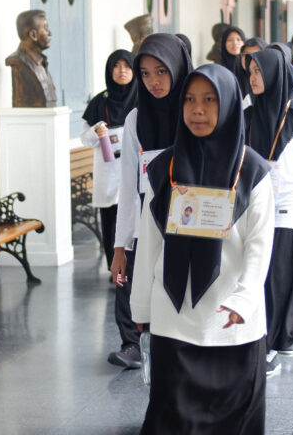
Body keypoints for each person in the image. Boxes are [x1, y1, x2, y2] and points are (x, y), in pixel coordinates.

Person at [131, 64, 274, 434]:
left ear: (227, 105)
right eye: (190, 100)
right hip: (173, 317)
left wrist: (244, 299)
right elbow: (148, 241)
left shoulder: (252, 171)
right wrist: (141, 306)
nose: (198, 110)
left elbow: (259, 247)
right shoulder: (164, 169)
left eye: (210, 100)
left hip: (231, 321)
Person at [109, 34, 192, 369]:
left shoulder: (197, 113)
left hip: (193, 230)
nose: (153, 81)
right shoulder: (135, 120)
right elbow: (129, 185)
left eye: (161, 71)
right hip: (150, 230)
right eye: (144, 73)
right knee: (154, 314)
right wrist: (120, 247)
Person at [245, 49, 293, 376]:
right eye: (249, 73)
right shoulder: (247, 114)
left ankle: (273, 344)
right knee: (261, 274)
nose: (253, 79)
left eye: (259, 72)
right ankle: (275, 337)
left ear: (275, 73)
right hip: (255, 205)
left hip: (289, 206)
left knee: (280, 275)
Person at [81, 50, 137, 274]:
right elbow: (85, 138)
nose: (122, 71)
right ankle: (114, 269)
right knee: (110, 223)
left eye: (127, 66)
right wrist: (97, 131)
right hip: (108, 173)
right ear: (109, 70)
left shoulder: (143, 98)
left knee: (134, 221)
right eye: (116, 66)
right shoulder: (99, 101)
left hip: (134, 173)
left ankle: (133, 267)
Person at [5, 9, 57, 107]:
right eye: (45, 29)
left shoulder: (41, 61)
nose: (50, 33)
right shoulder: (18, 61)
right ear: (33, 35)